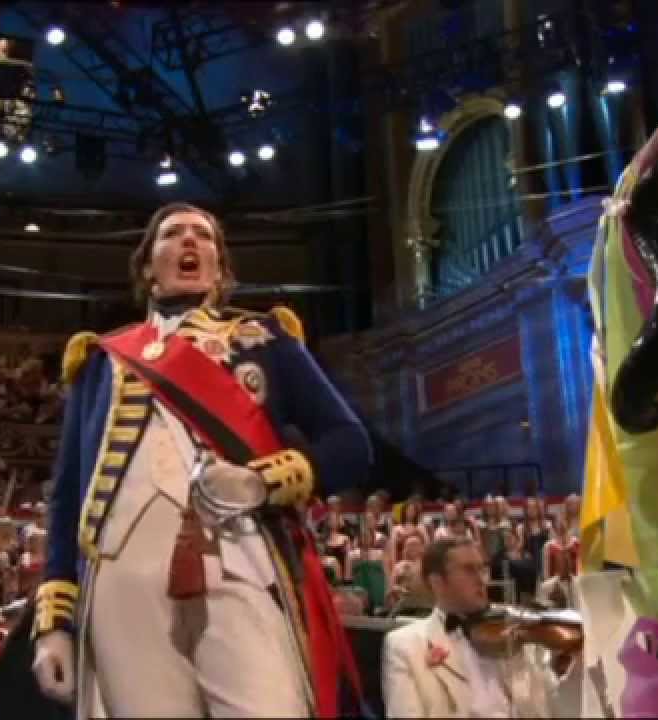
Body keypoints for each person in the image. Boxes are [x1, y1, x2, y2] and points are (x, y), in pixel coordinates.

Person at [31, 202, 371, 718]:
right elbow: (67, 497)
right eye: (172, 234)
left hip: (240, 556)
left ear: (220, 269)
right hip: (122, 574)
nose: (189, 241)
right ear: (148, 265)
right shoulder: (101, 360)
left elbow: (349, 444)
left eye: (203, 235)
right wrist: (54, 623)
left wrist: (262, 482)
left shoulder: (265, 340)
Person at [382, 537, 577, 718]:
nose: (482, 580)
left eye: (482, 569)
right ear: (437, 582)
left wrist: (581, 660)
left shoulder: (514, 631)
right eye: (469, 570)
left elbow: (559, 707)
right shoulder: (404, 646)